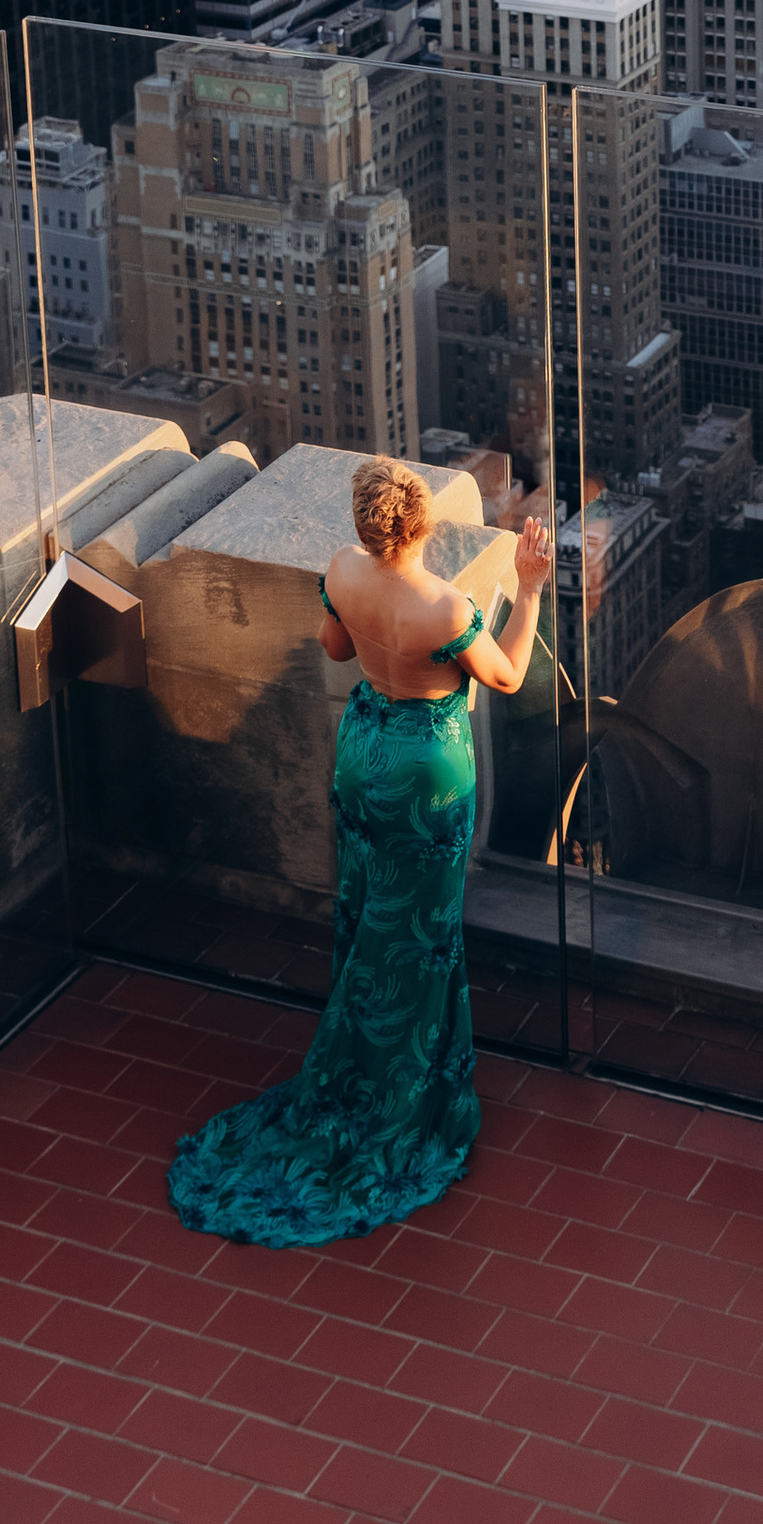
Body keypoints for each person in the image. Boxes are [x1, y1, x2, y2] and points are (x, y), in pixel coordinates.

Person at [169, 456, 554, 1246]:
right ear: (423, 524)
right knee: (420, 932)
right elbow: (509, 675)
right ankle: (410, 1095)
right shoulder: (445, 607)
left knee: (372, 908)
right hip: (425, 771)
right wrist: (531, 584)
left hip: (364, 751)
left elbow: (336, 648)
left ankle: (364, 1065)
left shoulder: (344, 570)